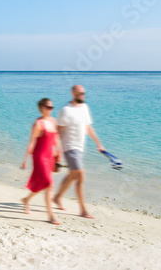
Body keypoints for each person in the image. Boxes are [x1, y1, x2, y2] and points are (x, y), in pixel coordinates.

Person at [52, 84, 106, 219]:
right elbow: (58, 132)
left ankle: (57, 197)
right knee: (80, 175)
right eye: (80, 94)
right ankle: (83, 210)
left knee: (72, 175)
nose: (83, 96)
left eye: (84, 93)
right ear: (73, 95)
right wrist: (56, 150)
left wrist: (98, 143)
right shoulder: (65, 110)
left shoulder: (85, 108)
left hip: (80, 147)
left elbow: (87, 127)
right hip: (69, 147)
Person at [20, 98, 63, 225]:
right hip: (39, 156)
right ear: (42, 108)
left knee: (44, 184)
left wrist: (59, 151)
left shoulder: (53, 120)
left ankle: (26, 199)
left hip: (50, 156)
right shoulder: (38, 124)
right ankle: (51, 216)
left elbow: (55, 139)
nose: (51, 109)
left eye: (52, 107)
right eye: (49, 107)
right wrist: (25, 159)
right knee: (49, 184)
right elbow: (32, 141)